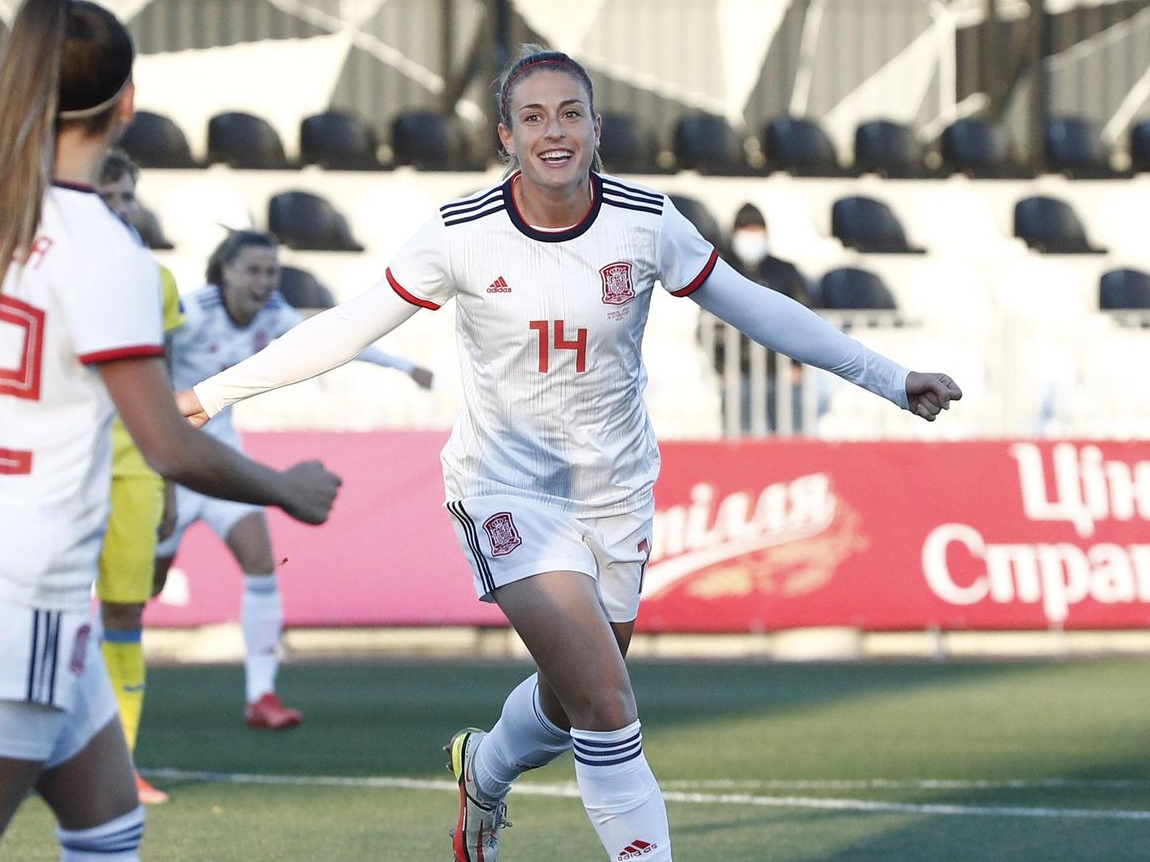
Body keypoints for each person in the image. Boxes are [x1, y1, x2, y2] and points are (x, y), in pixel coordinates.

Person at [175, 46, 962, 861]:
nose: (555, 131)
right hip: (506, 491)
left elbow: (757, 309)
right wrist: (213, 393)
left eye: (571, 114)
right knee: (608, 699)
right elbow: (346, 326)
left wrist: (890, 377)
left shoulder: (646, 222)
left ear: (595, 127)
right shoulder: (459, 234)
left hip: (616, 495)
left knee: (569, 698)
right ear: (507, 137)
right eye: (534, 117)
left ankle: (483, 766)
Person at [0, 0, 341, 862]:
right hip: (25, 579)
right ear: (125, 103)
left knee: (108, 826)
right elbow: (165, 441)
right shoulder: (107, 251)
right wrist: (286, 489)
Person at [153, 229, 433, 730]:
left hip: (223, 462)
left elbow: (337, 340)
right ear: (226, 273)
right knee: (143, 586)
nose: (264, 282)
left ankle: (261, 694)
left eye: (271, 271)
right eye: (253, 271)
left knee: (261, 561)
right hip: (170, 464)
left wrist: (405, 366)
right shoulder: (191, 315)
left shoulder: (277, 314)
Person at [94, 149, 182, 805]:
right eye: (106, 197)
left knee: (124, 611)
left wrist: (172, 479)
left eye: (125, 198)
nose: (119, 210)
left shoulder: (157, 280)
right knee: (54, 613)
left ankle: (119, 764)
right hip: (62, 461)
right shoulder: (44, 273)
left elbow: (165, 384)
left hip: (135, 462)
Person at [714, 202, 813, 433]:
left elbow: (803, 319)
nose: (751, 238)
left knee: (791, 441)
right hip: (738, 372)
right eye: (745, 231)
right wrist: (721, 368)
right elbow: (709, 324)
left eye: (756, 231)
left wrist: (797, 364)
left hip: (781, 371)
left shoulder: (785, 272)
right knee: (737, 442)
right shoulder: (722, 271)